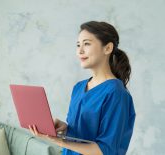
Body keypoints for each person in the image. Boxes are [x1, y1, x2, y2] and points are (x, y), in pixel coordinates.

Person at [29, 21, 136, 155]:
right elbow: (84, 132)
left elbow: (107, 150)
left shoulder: (116, 93)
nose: (80, 51)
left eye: (86, 44)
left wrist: (60, 141)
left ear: (107, 48)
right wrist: (65, 129)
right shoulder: (78, 87)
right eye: (78, 45)